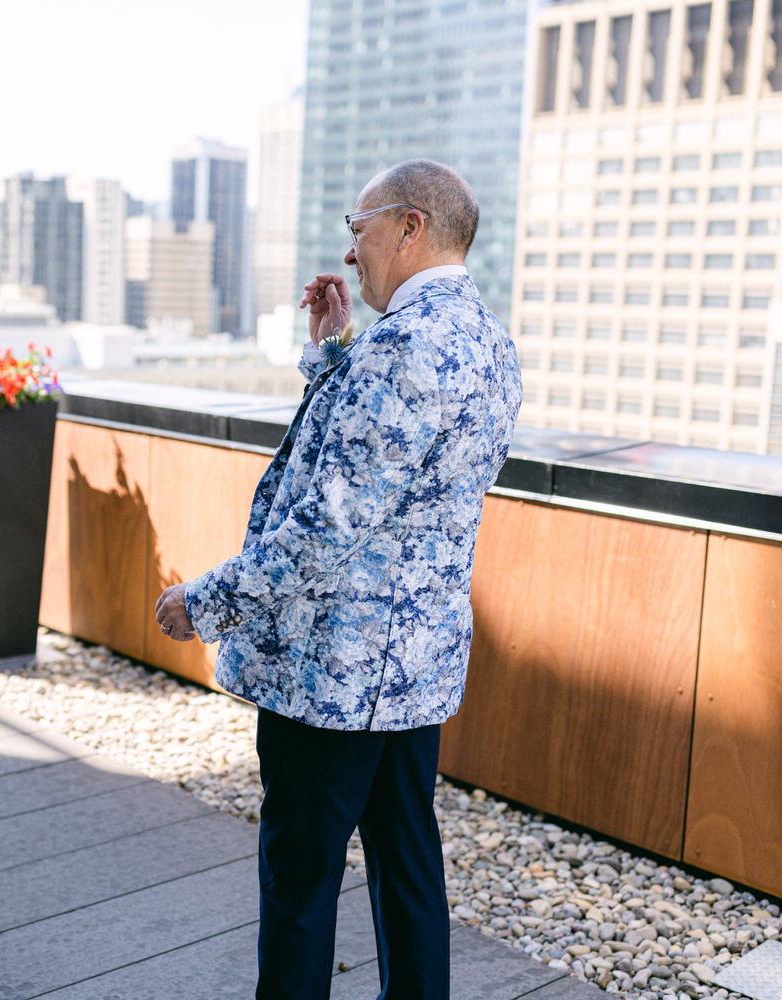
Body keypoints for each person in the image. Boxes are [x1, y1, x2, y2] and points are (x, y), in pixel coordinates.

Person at [154, 159, 521, 999]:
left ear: (410, 227)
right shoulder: (490, 343)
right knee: (408, 867)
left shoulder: (406, 346)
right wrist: (331, 353)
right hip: (413, 668)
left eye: (358, 231)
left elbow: (326, 527)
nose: (350, 253)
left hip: (336, 674)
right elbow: (396, 475)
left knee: (300, 883)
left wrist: (204, 602)